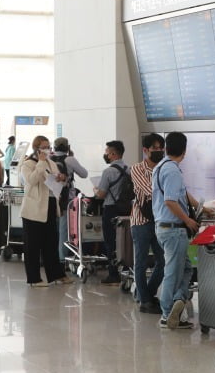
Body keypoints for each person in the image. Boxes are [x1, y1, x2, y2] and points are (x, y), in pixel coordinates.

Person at [152, 132, 198, 330]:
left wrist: (199, 206)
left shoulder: (161, 166)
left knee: (186, 268)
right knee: (172, 271)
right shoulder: (172, 171)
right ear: (184, 150)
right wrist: (188, 220)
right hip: (173, 229)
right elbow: (170, 201)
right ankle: (167, 313)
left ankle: (178, 303)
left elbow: (181, 194)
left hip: (164, 227)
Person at [20, 136, 72, 287]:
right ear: (36, 148)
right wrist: (41, 162)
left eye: (48, 146)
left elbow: (56, 179)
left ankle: (56, 274)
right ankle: (34, 278)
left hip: (49, 204)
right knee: (32, 245)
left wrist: (61, 178)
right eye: (44, 147)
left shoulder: (52, 163)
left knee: (51, 242)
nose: (47, 150)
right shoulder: (27, 164)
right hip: (33, 208)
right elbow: (31, 180)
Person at [130, 133, 166, 314]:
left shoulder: (164, 168)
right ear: (145, 150)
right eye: (155, 148)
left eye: (161, 148)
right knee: (141, 262)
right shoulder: (137, 168)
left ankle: (146, 296)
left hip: (159, 220)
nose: (159, 151)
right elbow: (149, 190)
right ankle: (145, 300)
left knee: (163, 261)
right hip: (141, 221)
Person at [93, 140, 130, 285]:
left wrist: (96, 190)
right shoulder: (129, 169)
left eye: (107, 152)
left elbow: (101, 194)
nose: (106, 155)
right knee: (126, 241)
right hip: (126, 209)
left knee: (110, 242)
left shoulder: (108, 171)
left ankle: (113, 275)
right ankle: (127, 271)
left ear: (113, 154)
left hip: (111, 209)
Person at [50, 137, 88, 267]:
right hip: (67, 198)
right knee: (63, 229)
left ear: (54, 147)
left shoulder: (49, 159)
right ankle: (62, 259)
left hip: (52, 196)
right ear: (68, 147)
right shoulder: (70, 160)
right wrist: (72, 158)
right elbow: (84, 174)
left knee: (52, 228)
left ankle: (51, 257)